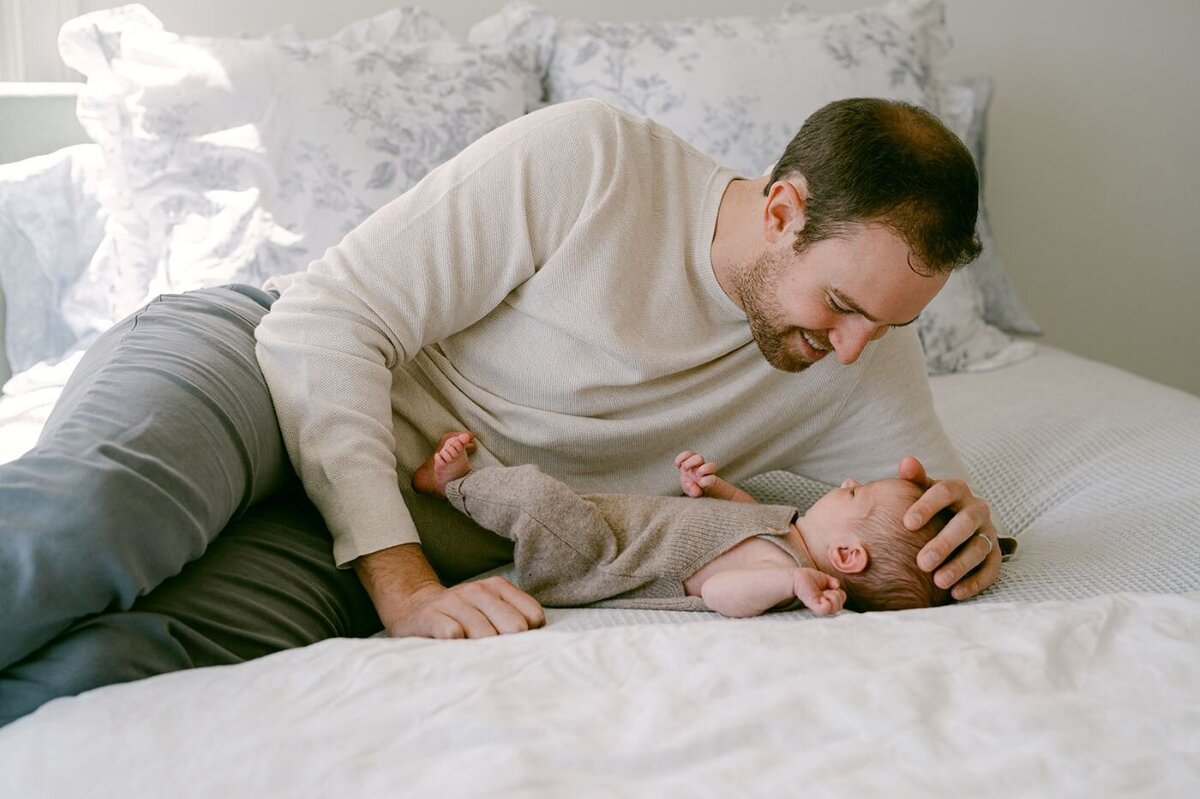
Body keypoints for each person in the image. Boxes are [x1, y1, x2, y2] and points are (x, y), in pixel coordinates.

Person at [0, 96, 1005, 724]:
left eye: (887, 323)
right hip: (268, 376)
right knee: (97, 518)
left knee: (105, 670)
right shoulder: (598, 161)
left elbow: (925, 513)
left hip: (388, 535)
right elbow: (329, 323)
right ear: (782, 210)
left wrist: (970, 536)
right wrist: (398, 583)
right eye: (841, 305)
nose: (852, 349)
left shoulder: (861, 354)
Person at [412, 432, 955, 617]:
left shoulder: (783, 568)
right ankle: (471, 487)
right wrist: (713, 490)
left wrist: (792, 584)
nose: (845, 483)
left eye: (854, 494)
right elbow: (745, 517)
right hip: (619, 526)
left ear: (846, 556)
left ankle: (451, 485)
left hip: (599, 561)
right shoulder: (788, 531)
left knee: (536, 500)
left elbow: (721, 591)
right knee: (554, 498)